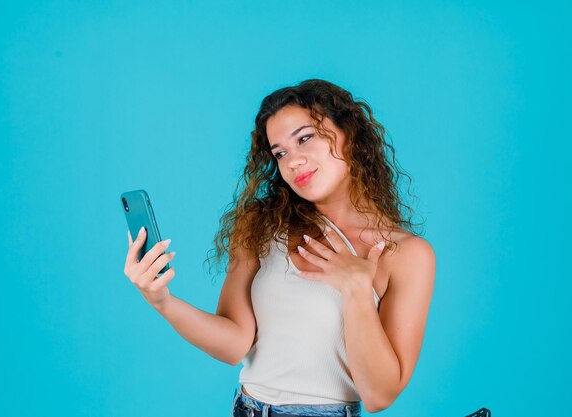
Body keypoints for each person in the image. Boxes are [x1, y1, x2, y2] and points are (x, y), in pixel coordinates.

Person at [123, 79, 436, 416]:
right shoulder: (262, 225)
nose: (293, 161)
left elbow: (379, 396)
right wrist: (162, 301)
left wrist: (356, 288)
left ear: (350, 135)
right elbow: (235, 345)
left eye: (305, 138)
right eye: (280, 152)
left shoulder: (405, 254)